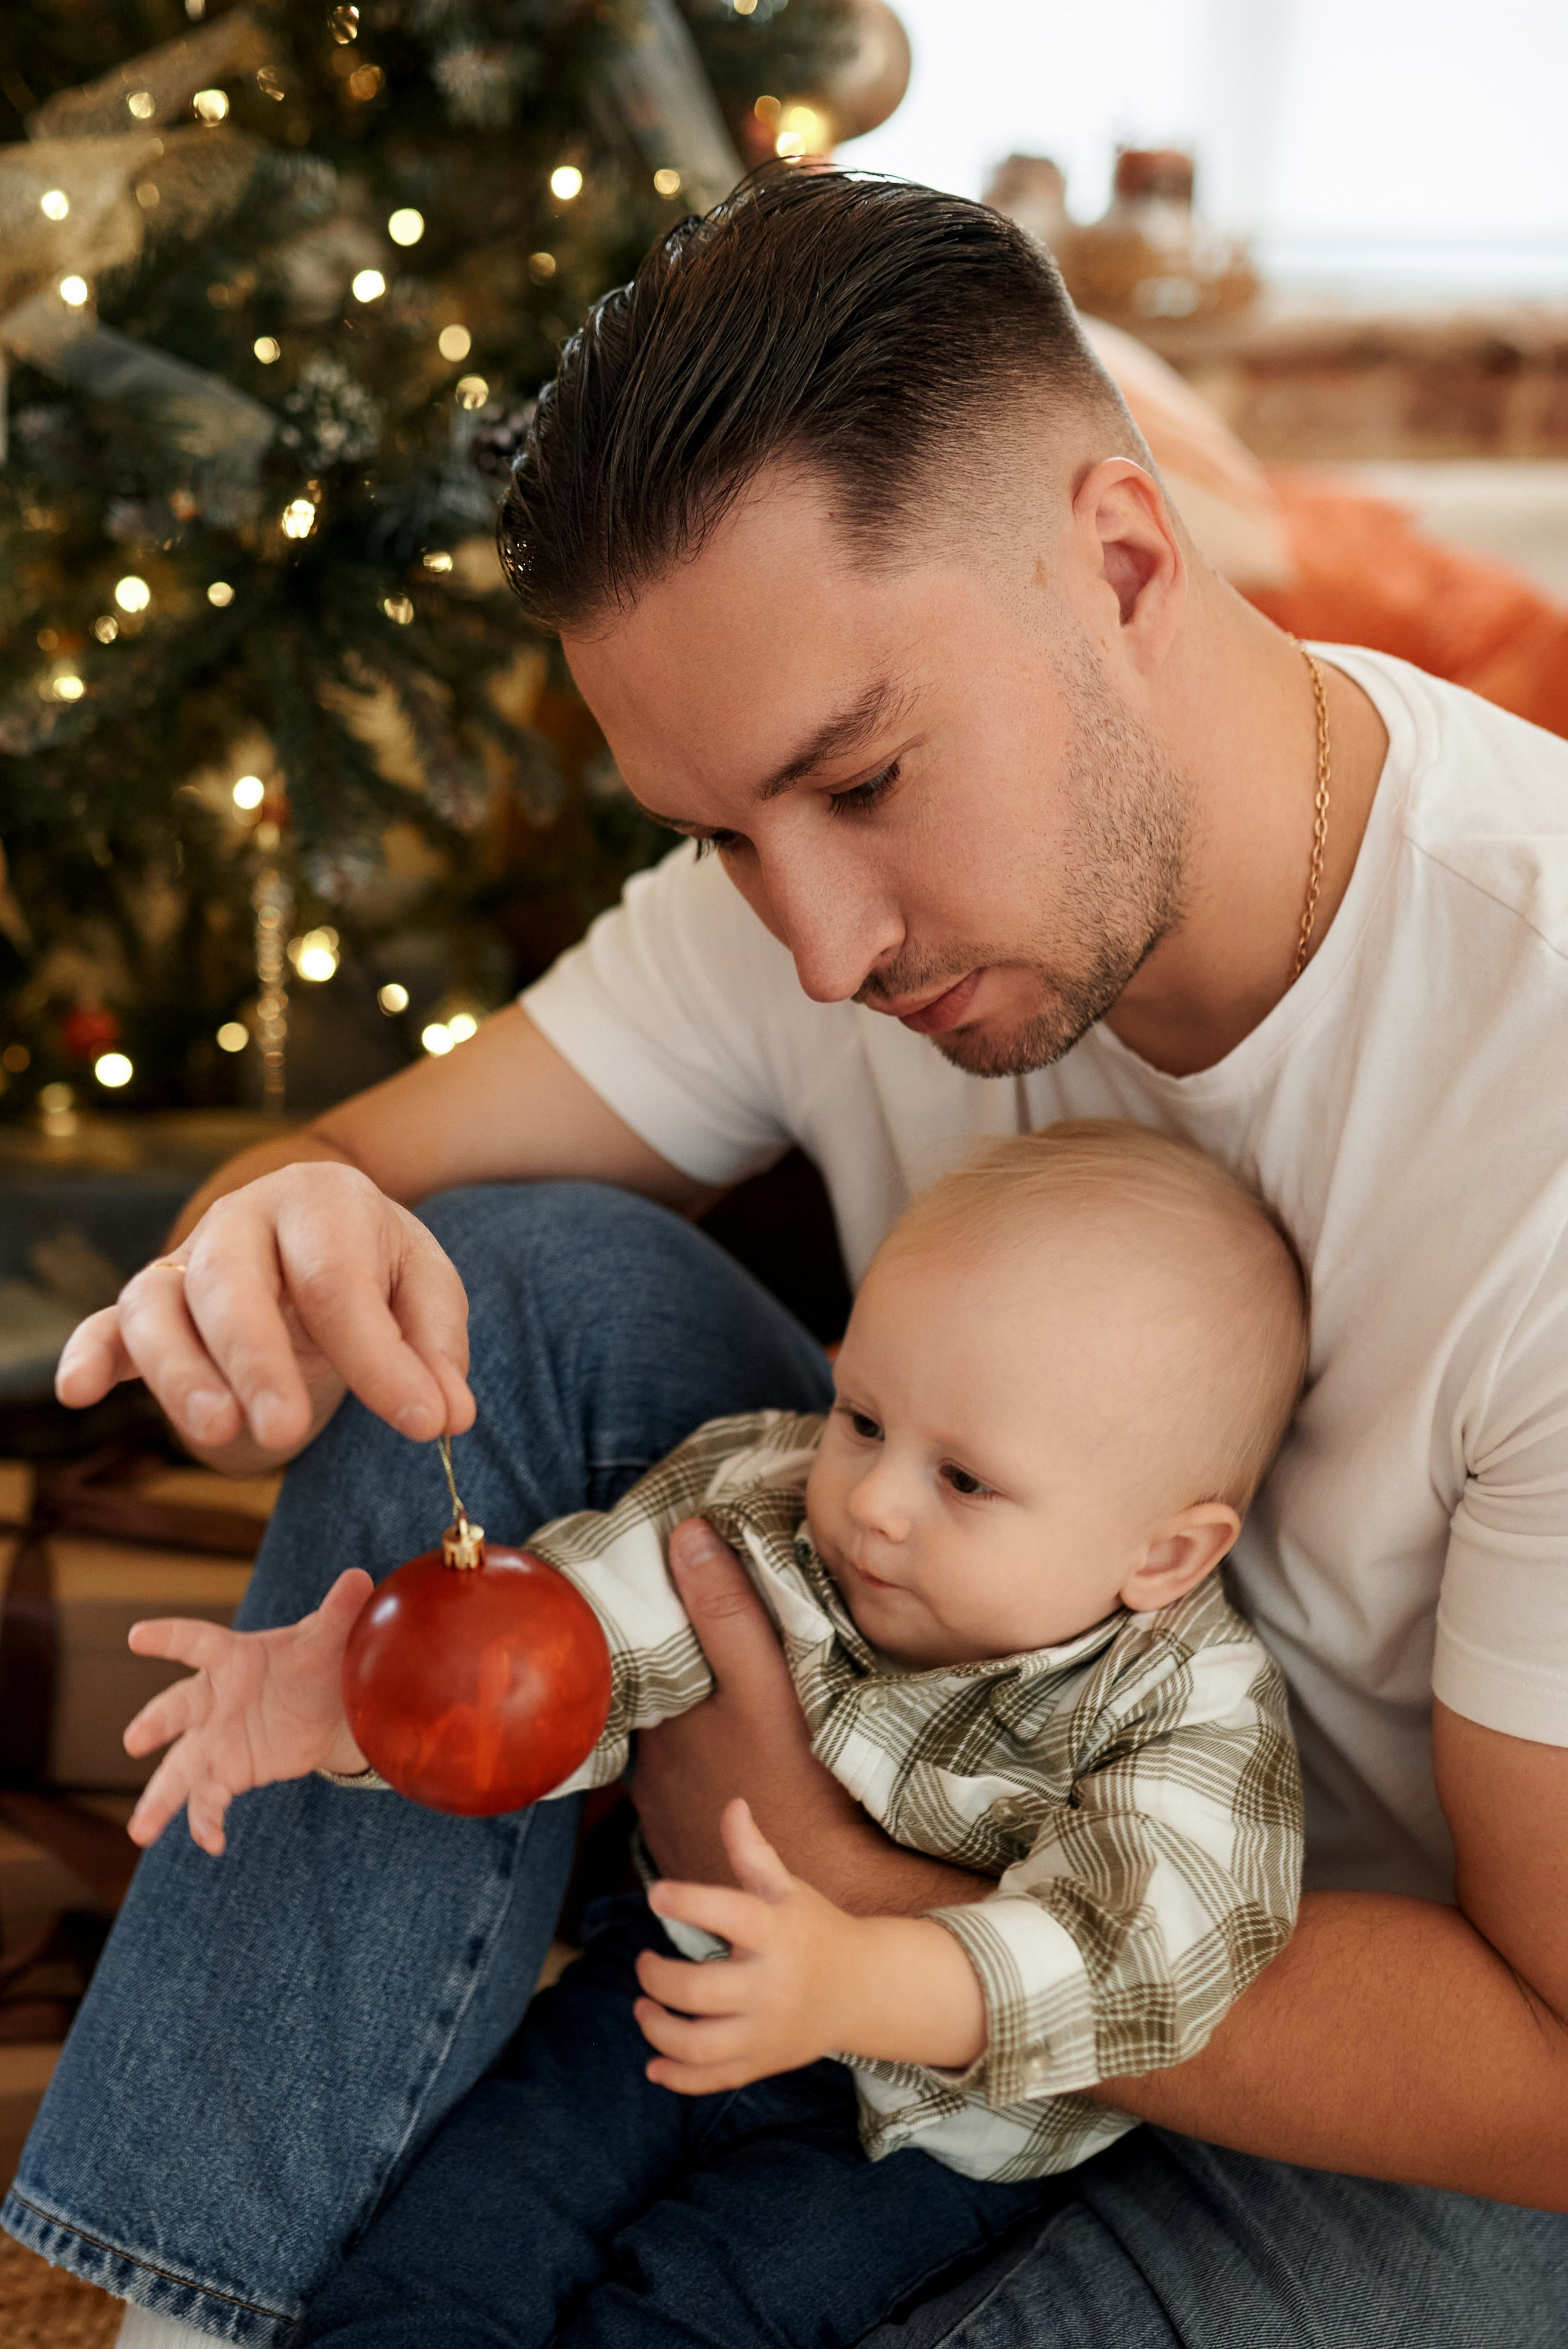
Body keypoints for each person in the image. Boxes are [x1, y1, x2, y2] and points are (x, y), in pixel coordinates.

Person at [8, 167, 1568, 2347]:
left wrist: (874, 1906)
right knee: (497, 1273)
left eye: (862, 783)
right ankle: (196, 2312)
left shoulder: (1541, 1081)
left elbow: (1552, 2071)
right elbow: (339, 1181)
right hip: (876, 1794)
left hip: (1365, 2082)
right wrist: (264, 1231)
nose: (821, 944)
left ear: (1124, 562)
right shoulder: (819, 883)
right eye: (727, 835)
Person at [116, 1123, 1306, 2348]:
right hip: (668, 1986)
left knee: (689, 2313)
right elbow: (577, 1651)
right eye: (861, 1416)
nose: (875, 1503)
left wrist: (859, 1976)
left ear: (1161, 1552)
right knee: (453, 2240)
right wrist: (365, 1702)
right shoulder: (769, 1496)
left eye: (964, 1481)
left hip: (926, 2138)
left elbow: (1145, 1957)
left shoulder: (1190, 1703)